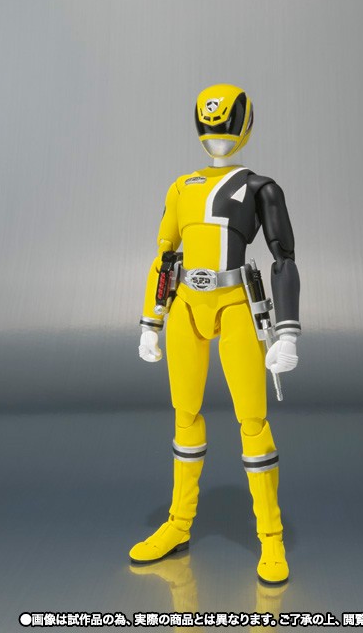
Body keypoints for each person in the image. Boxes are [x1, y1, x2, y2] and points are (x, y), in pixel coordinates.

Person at [129, 84, 301, 584]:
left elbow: (283, 259)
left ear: (245, 126)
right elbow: (165, 258)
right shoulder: (181, 187)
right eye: (211, 125)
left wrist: (287, 331)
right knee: (184, 415)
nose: (218, 135)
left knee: (252, 419)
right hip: (186, 304)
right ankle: (178, 523)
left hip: (236, 304)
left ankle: (271, 536)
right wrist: (151, 322)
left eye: (226, 124)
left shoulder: (260, 187)